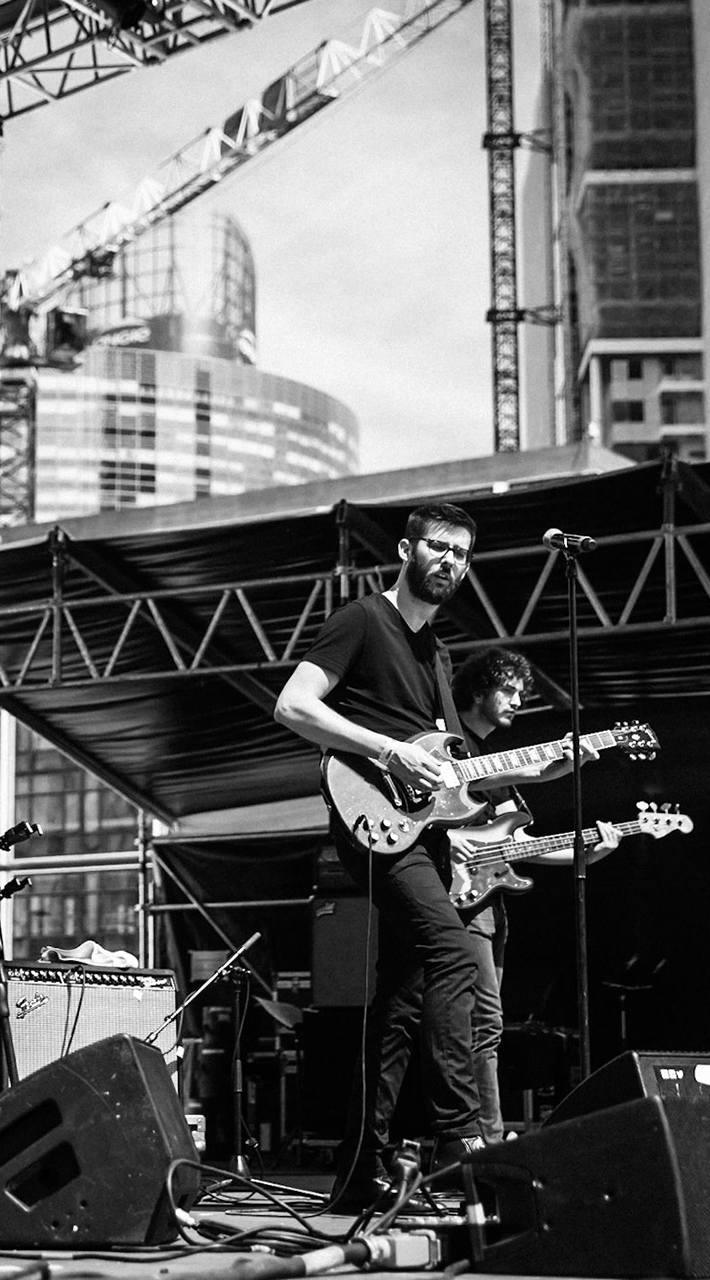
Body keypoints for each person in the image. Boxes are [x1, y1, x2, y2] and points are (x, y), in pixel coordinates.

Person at [273, 503, 501, 1209]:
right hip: (370, 818)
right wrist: (388, 749)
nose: (450, 562)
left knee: (402, 1001)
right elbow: (293, 706)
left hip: (421, 833)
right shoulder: (362, 620)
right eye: (438, 547)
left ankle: (358, 1171)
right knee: (456, 956)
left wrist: (545, 765)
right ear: (406, 550)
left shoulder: (438, 654)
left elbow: (450, 773)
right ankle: (460, 1136)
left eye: (461, 553)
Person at [449, 647, 618, 1141]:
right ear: (478, 690)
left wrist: (588, 853)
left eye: (522, 692)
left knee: (484, 1024)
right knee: (482, 1023)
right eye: (509, 690)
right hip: (452, 898)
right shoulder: (448, 748)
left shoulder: (495, 772)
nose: (518, 701)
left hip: (487, 904)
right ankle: (484, 1138)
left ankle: (472, 1135)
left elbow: (519, 843)